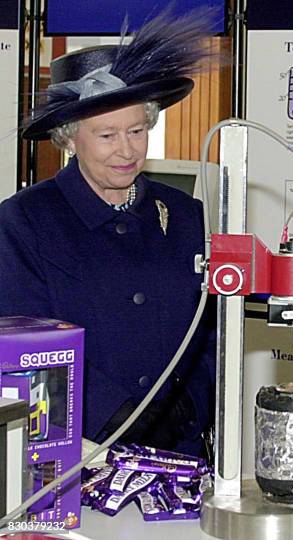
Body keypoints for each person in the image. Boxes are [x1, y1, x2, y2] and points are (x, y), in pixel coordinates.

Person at [0, 11, 219, 457]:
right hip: (77, 452)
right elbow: (26, 346)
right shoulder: (23, 222)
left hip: (181, 448)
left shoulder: (186, 215)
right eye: (106, 135)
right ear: (68, 139)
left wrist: (188, 406)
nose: (127, 150)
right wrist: (117, 415)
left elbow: (211, 331)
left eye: (137, 131)